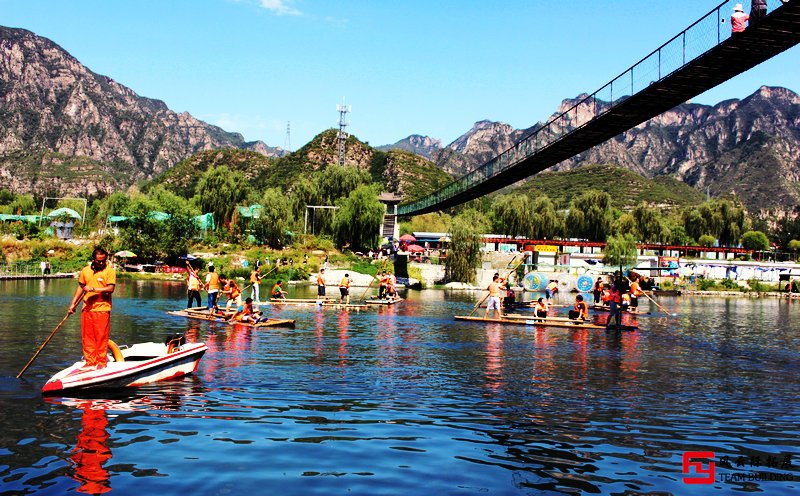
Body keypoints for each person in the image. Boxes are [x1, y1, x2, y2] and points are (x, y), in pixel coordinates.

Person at [67, 247, 116, 371]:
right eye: (98, 261)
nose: (101, 263)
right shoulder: (85, 271)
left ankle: (101, 361)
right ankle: (90, 361)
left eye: (103, 261)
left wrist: (94, 289)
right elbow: (81, 287)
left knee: (101, 336)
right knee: (87, 336)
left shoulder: (109, 271)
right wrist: (73, 304)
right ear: (93, 259)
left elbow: (110, 289)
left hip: (102, 308)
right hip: (87, 308)